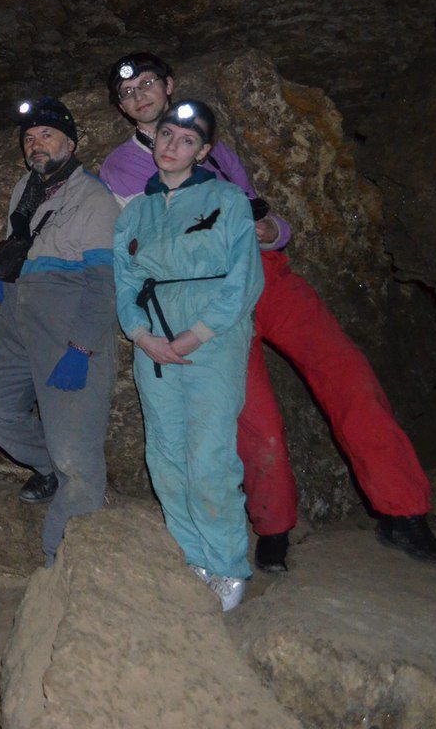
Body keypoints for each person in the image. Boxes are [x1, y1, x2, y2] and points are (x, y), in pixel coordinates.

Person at [100, 53, 436, 570]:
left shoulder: (215, 148)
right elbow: (146, 245)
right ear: (121, 107)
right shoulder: (121, 167)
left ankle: (404, 510)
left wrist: (271, 229)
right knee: (257, 421)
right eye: (127, 93)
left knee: (346, 373)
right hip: (207, 294)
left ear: (169, 85)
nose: (139, 96)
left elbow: (266, 216)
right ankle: (274, 527)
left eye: (147, 83)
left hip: (270, 276)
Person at [113, 101, 264, 611]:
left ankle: (226, 564)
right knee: (165, 452)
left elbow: (245, 277)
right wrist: (140, 334)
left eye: (186, 140)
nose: (172, 146)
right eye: (166, 135)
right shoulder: (136, 211)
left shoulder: (226, 198)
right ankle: (191, 555)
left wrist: (196, 334)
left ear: (202, 151)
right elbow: (125, 280)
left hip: (213, 333)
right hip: (153, 335)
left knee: (209, 452)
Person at [0, 98, 120, 567]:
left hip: (66, 333)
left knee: (76, 458)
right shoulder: (26, 189)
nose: (36, 145)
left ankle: (61, 560)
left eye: (47, 136)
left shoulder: (93, 198)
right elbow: (28, 248)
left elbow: (105, 283)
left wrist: (80, 349)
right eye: (30, 138)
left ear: (70, 144)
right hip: (18, 325)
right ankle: (46, 466)